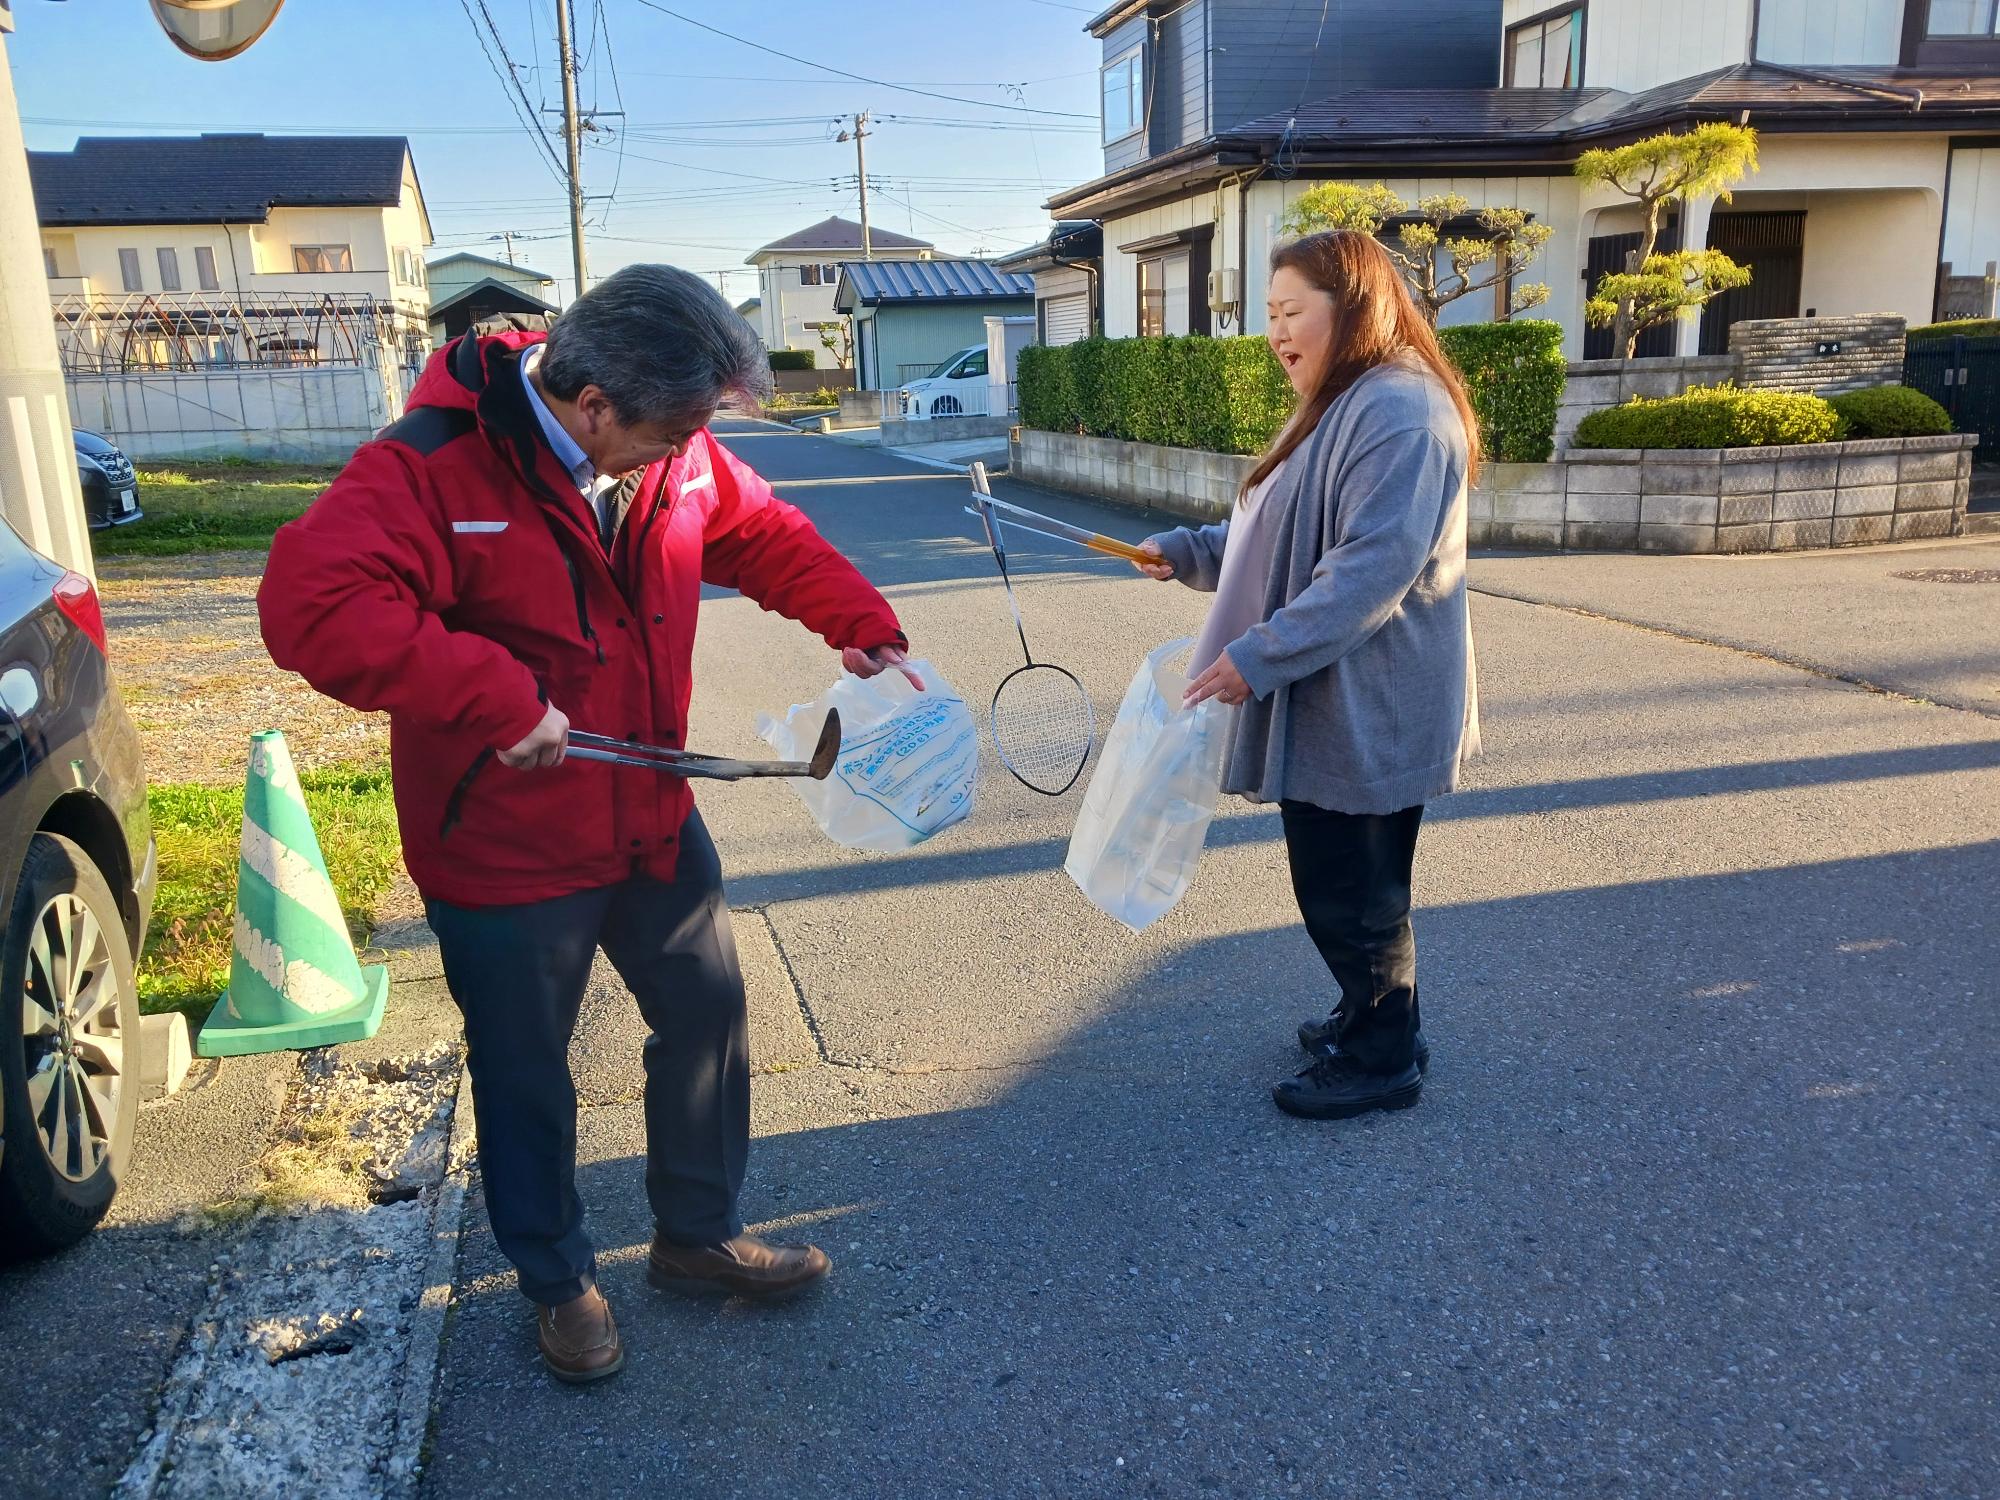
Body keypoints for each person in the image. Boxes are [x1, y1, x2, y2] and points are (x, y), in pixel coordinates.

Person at [258, 265, 918, 1384]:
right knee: (525, 1069)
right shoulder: (430, 463)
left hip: (647, 802)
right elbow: (313, 605)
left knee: (708, 1011)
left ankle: (695, 1237)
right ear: (593, 401)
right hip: (499, 836)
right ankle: (557, 1280)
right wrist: (491, 694)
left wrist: (857, 621)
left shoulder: (676, 451)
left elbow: (758, 534)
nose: (689, 452)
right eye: (674, 431)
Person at [1133, 230, 1481, 1122]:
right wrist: (1187, 552)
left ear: (1354, 308)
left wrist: (1253, 660)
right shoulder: (1343, 402)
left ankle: (1383, 1056)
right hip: (1339, 696)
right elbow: (1273, 537)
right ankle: (1370, 1017)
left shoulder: (1399, 410)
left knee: (1353, 891)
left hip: (1373, 701)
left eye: (1292, 313)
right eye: (1271, 316)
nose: (1276, 333)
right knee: (1353, 882)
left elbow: (1367, 571)